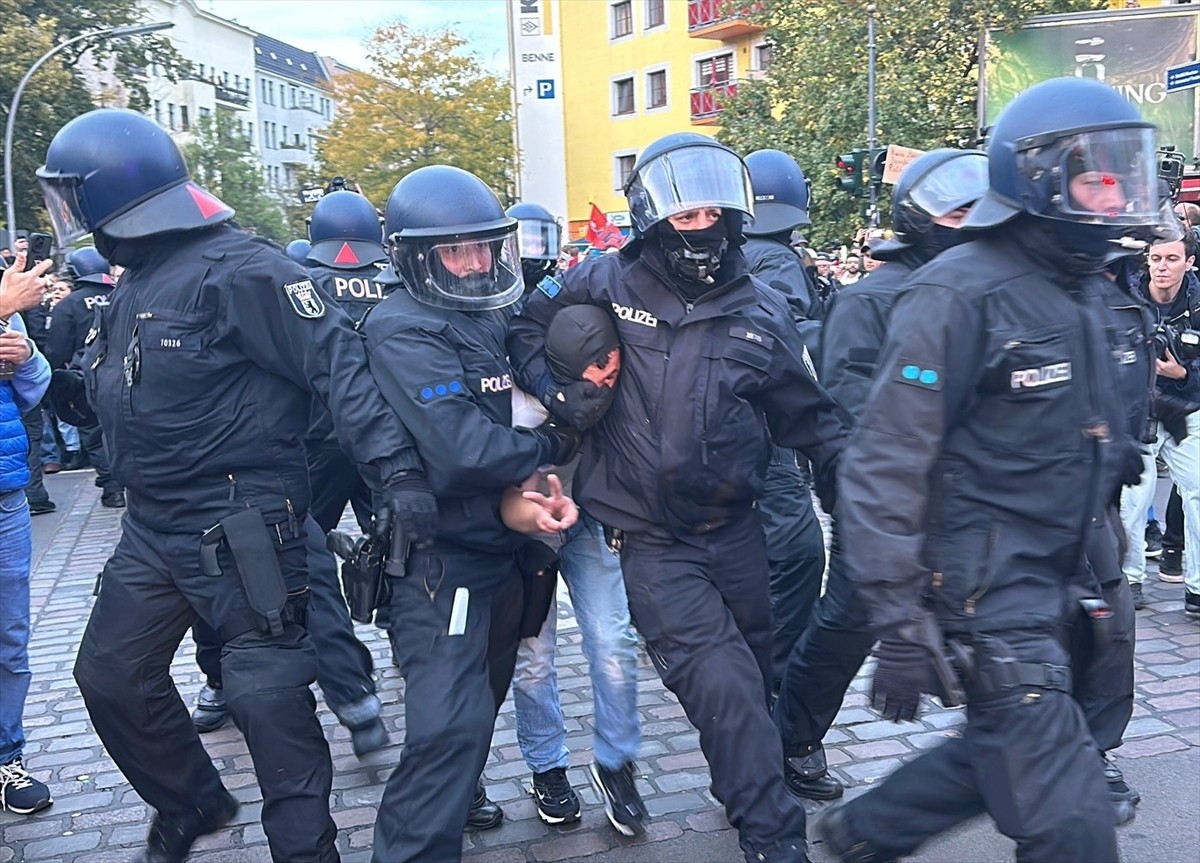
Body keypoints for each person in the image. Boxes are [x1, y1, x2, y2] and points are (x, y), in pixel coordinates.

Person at [39, 108, 432, 863]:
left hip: (244, 524)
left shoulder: (246, 269)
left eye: (73, 197)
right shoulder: (135, 282)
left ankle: (308, 853)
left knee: (268, 706)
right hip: (153, 529)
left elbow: (339, 369)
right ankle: (193, 801)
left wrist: (399, 475)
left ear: (117, 196)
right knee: (109, 674)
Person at [815, 76, 1162, 863]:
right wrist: (899, 625)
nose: (1114, 198)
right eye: (1093, 178)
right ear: (1038, 177)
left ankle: (865, 833)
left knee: (1000, 750)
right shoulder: (958, 290)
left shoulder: (1073, 286)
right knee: (1073, 825)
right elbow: (882, 463)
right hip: (982, 596)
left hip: (1056, 578)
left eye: (1122, 177)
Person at [509, 132, 849, 863]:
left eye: (712, 214)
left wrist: (861, 498)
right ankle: (774, 838)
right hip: (652, 542)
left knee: (750, 685)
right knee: (722, 687)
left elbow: (812, 419)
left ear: (734, 217)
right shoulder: (603, 278)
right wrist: (556, 393)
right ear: (655, 220)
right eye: (684, 216)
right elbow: (528, 326)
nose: (700, 229)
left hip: (737, 532)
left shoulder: (762, 311)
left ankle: (742, 787)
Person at [361, 165, 578, 862]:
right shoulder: (401, 325)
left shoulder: (488, 312)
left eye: (484, 246)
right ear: (416, 255)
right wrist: (552, 442)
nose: (475, 262)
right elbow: (459, 449)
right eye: (455, 250)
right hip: (442, 565)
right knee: (445, 734)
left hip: (505, 555)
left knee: (473, 723)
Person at [774, 147, 989, 803]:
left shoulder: (996, 290)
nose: (976, 221)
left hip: (976, 506)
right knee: (846, 627)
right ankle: (793, 737)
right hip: (889, 506)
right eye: (959, 210)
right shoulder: (869, 301)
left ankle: (1046, 744)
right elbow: (848, 409)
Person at [507, 302, 644, 830]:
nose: (606, 385)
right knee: (535, 656)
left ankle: (616, 762)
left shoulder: (612, 380)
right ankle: (547, 767)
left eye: (614, 374)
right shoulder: (522, 395)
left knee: (613, 640)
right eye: (598, 376)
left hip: (589, 515)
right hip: (529, 520)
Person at [739, 150, 830, 758]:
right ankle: (781, 723)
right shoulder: (776, 260)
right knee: (798, 560)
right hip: (769, 443)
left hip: (730, 441)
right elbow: (795, 339)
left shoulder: (731, 253)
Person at [1118, 230, 1200, 614]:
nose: (1162, 267)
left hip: (1189, 410)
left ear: (1189, 262)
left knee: (1198, 496)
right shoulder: (1126, 298)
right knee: (1132, 499)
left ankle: (1196, 588)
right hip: (1139, 410)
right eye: (1156, 259)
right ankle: (1129, 579)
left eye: (1171, 259)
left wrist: (1181, 374)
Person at [0, 251, 54, 815]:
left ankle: (6, 757)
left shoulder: (5, 298)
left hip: (6, 499)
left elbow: (35, 389)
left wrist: (26, 352)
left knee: (9, 641)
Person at [45, 246, 124, 508]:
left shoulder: (67, 305)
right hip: (132, 371)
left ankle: (113, 488)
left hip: (89, 376)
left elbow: (56, 351)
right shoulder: (124, 293)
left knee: (94, 431)